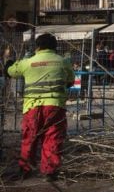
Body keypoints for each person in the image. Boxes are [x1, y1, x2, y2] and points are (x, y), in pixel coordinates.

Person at [6, 34, 75, 181]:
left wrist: (9, 63)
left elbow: (10, 72)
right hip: (55, 106)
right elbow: (70, 81)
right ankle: (50, 172)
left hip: (32, 107)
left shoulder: (28, 62)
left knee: (29, 138)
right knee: (52, 138)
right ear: (55, 47)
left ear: (37, 47)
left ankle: (25, 169)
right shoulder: (63, 62)